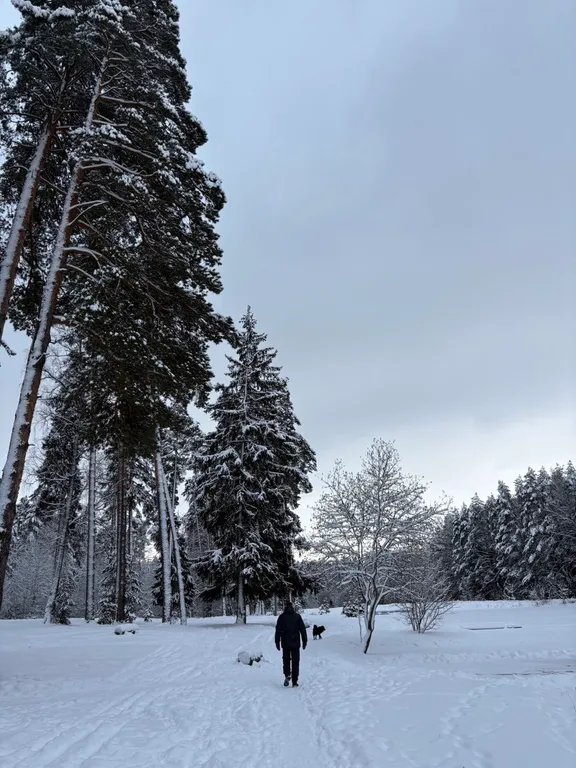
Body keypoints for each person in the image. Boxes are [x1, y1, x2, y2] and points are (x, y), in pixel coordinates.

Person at [275, 601, 307, 687]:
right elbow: (303, 630)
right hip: (296, 643)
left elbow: (277, 630)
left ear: (285, 607)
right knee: (295, 662)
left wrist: (277, 642)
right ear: (292, 607)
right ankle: (295, 682)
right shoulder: (297, 617)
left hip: (285, 643)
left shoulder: (281, 617)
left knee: (286, 660)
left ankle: (287, 674)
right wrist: (305, 641)